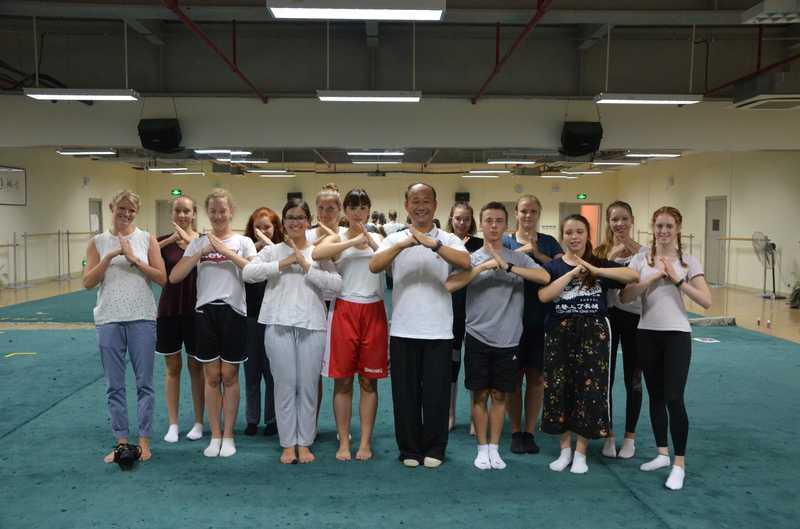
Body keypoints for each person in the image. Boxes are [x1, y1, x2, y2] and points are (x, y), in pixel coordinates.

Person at [369, 183, 470, 468]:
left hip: (439, 330)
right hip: (403, 329)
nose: (421, 206)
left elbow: (466, 262)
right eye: (415, 201)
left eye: (426, 201)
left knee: (436, 394)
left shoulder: (448, 238)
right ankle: (410, 449)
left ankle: (435, 448)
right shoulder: (395, 238)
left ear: (435, 206)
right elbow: (375, 265)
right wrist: (402, 244)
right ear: (406, 206)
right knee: (405, 394)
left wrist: (433, 244)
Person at [445, 202, 549, 470]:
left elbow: (544, 277)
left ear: (506, 225)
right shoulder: (471, 258)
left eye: (499, 221)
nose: (493, 225)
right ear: (481, 224)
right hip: (477, 335)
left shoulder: (518, 257)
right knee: (479, 396)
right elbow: (450, 285)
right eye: (488, 220)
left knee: (500, 395)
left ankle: (494, 448)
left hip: (509, 338)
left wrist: (508, 267)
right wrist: (483, 267)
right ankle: (482, 449)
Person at [243, 198, 342, 464]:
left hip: (312, 324)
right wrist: (284, 263)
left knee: (307, 385)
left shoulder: (318, 252)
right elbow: (248, 273)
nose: (295, 222)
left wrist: (307, 267)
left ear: (308, 221)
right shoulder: (272, 251)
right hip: (278, 324)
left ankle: (304, 442)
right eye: (290, 217)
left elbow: (336, 285)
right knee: (284, 385)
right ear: (283, 222)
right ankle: (288, 443)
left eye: (300, 217)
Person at [538, 214, 638, 475]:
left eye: (579, 232)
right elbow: (544, 295)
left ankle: (581, 452)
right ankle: (565, 450)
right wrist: (572, 273)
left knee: (589, 390)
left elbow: (632, 275)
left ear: (587, 235)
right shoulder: (553, 266)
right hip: (559, 334)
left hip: (594, 335)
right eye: (569, 232)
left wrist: (596, 271)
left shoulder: (599, 263)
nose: (574, 237)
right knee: (559, 389)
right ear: (562, 236)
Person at [621, 206, 711, 491]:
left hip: (677, 335)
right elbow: (625, 296)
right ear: (653, 227)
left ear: (678, 228)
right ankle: (662, 454)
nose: (663, 231)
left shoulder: (688, 261)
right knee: (656, 396)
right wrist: (650, 278)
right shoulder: (640, 259)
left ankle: (679, 464)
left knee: (674, 397)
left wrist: (677, 279)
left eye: (669, 226)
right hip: (647, 333)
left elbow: (706, 301)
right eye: (659, 226)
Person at [169, 189, 257, 458]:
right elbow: (174, 276)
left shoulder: (243, 242)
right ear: (207, 214)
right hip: (205, 313)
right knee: (211, 376)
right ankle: (215, 435)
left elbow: (253, 273)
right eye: (214, 211)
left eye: (223, 211)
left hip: (234, 312)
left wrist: (225, 252)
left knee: (229, 375)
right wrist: (199, 252)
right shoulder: (198, 243)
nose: (218, 216)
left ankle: (229, 435)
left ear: (231, 212)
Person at [83, 190, 166, 464]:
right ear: (112, 207)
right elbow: (87, 282)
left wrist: (134, 259)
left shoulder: (147, 239)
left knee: (145, 383)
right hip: (109, 318)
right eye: (122, 208)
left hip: (141, 317)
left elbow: (162, 278)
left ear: (136, 212)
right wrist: (108, 258)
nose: (126, 214)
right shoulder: (97, 242)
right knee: (114, 385)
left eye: (131, 210)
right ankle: (121, 443)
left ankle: (144, 442)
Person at [313, 188, 387, 461]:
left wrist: (371, 242)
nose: (358, 213)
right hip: (345, 309)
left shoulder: (380, 238)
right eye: (353, 208)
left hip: (373, 310)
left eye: (362, 207)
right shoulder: (338, 237)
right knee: (343, 382)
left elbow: (391, 263)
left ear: (369, 210)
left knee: (369, 382)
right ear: (345, 211)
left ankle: (365, 442)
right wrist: (352, 241)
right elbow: (318, 253)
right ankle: (344, 440)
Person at [502, 195, 563, 455]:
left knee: (537, 378)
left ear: (539, 214)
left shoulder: (548, 242)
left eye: (533, 211)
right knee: (514, 379)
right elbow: (497, 263)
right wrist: (521, 253)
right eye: (524, 211)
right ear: (516, 213)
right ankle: (516, 431)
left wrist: (536, 253)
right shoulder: (506, 241)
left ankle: (529, 431)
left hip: (541, 319)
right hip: (511, 319)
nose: (528, 216)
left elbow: (561, 270)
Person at [593, 201, 646, 459]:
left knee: (633, 379)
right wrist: (611, 257)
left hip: (636, 319)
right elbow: (593, 280)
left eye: (624, 218)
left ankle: (630, 437)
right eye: (615, 219)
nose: (620, 224)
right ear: (609, 222)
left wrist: (631, 251)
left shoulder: (645, 253)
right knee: (606, 378)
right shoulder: (600, 251)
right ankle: (609, 434)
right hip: (608, 318)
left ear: (632, 220)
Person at [156, 195, 205, 444]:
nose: (183, 215)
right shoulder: (162, 243)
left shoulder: (203, 241)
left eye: (187, 211)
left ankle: (198, 422)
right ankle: (173, 424)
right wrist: (169, 240)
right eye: (178, 211)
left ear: (194, 213)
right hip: (169, 311)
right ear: (172, 214)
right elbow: (146, 260)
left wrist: (189, 242)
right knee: (172, 368)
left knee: (197, 367)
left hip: (197, 312)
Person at [243, 207, 284, 437]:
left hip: (273, 317)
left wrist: (268, 247)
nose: (262, 231)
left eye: (267, 226)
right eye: (257, 227)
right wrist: (256, 248)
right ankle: (251, 419)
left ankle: (271, 419)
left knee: (271, 372)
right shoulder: (245, 249)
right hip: (249, 318)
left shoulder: (281, 250)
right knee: (251, 372)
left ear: (275, 227)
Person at [445, 202, 483, 431]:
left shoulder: (479, 244)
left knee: (474, 365)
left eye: (466, 219)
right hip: (450, 313)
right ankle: (450, 414)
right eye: (458, 218)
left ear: (472, 221)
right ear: (451, 219)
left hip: (476, 312)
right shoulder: (445, 243)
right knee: (452, 365)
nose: (462, 223)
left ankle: (474, 416)